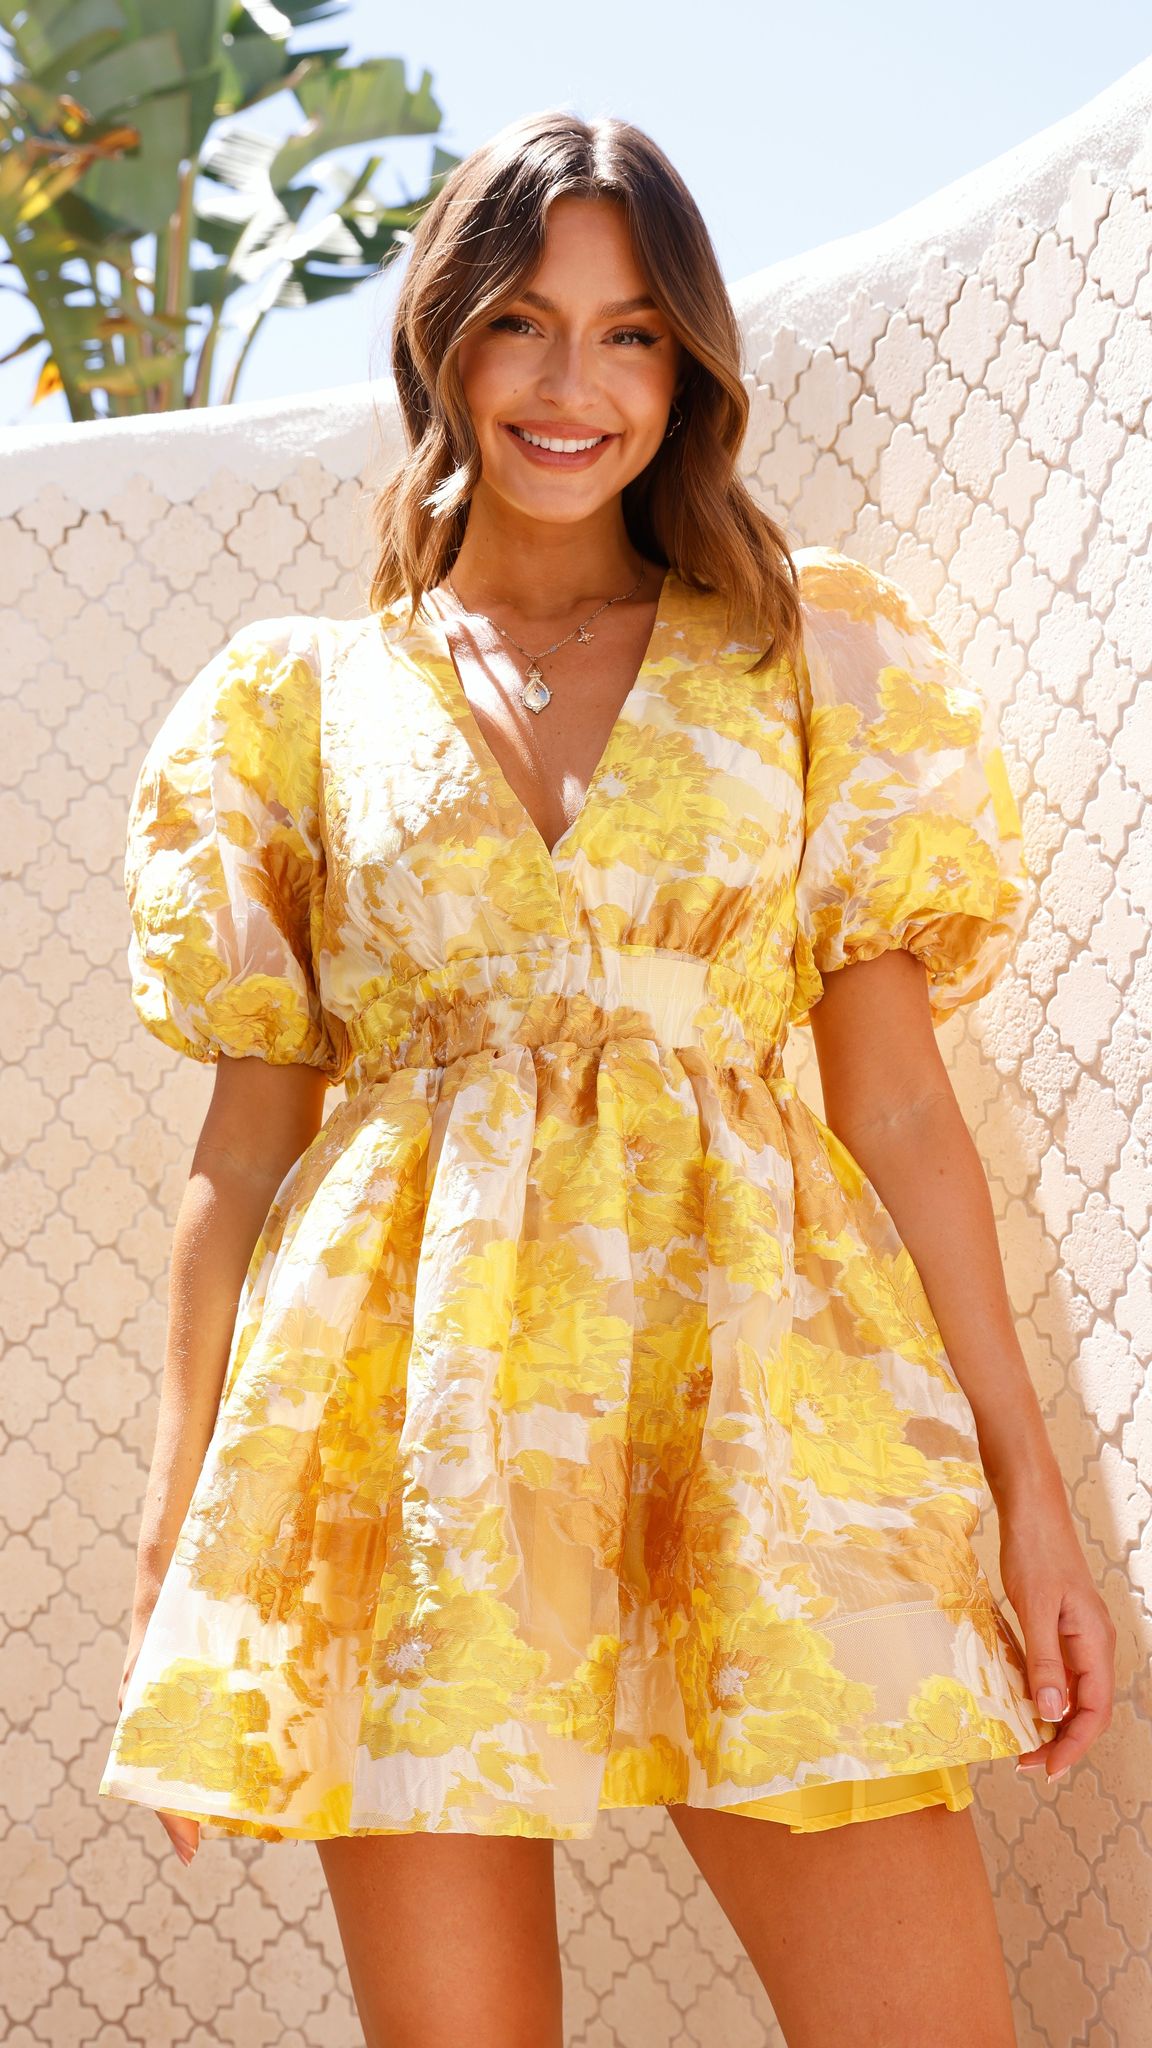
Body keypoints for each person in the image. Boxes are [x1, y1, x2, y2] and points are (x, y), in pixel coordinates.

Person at [98, 107, 1114, 2048]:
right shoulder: (294, 706)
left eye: (632, 333)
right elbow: (241, 1158)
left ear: (686, 364)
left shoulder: (807, 654)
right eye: (525, 324)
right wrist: (180, 1548)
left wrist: (1025, 1488)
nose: (575, 385)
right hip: (400, 1427)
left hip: (770, 1397)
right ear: (446, 339)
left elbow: (900, 1102)